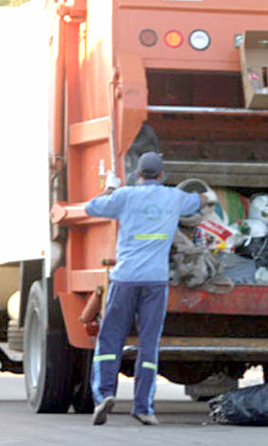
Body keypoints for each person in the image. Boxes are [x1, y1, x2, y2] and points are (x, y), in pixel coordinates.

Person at [84, 151, 214, 426]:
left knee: (110, 340)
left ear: (138, 174)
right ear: (162, 174)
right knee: (149, 344)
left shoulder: (125, 196)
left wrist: (110, 188)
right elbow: (199, 201)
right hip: (155, 281)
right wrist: (208, 197)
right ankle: (144, 407)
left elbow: (92, 208)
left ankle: (104, 395)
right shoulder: (174, 197)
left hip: (125, 279)